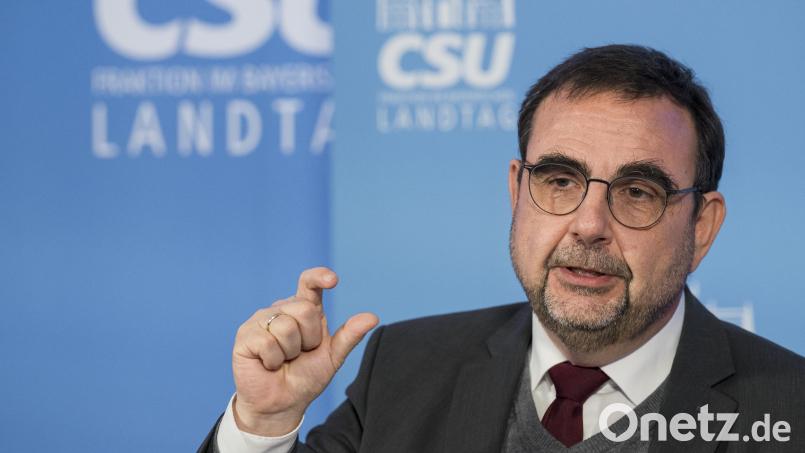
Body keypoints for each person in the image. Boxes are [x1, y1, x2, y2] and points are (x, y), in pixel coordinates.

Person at [199, 45, 805, 452]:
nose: (589, 225)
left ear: (701, 226)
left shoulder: (789, 410)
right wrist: (265, 425)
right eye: (561, 181)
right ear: (518, 189)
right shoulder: (404, 369)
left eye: (638, 191)